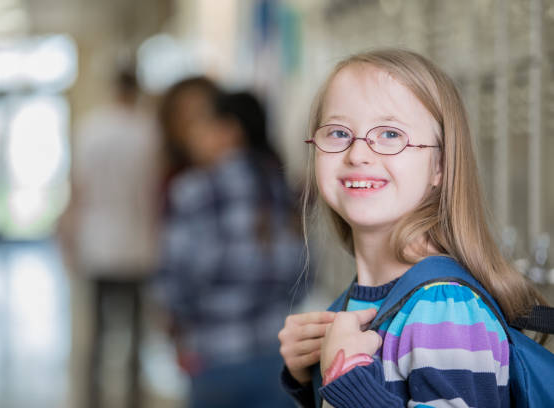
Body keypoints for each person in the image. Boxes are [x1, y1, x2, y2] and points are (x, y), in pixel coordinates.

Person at [278, 48, 550, 407]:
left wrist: (346, 377)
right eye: (339, 132)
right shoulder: (358, 300)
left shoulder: (444, 309)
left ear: (440, 166)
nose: (358, 154)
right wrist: (308, 376)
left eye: (391, 134)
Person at [155, 81, 303, 408]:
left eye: (203, 123)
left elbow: (174, 282)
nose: (193, 134)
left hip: (213, 358)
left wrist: (178, 335)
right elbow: (305, 274)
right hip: (276, 358)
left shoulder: (193, 191)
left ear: (229, 131)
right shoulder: (281, 190)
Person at [59, 67, 161, 408]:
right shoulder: (148, 131)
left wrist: (68, 241)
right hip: (138, 245)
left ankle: (91, 398)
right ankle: (132, 398)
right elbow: (154, 195)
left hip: (97, 244)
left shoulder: (90, 129)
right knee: (135, 334)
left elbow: (78, 190)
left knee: (96, 334)